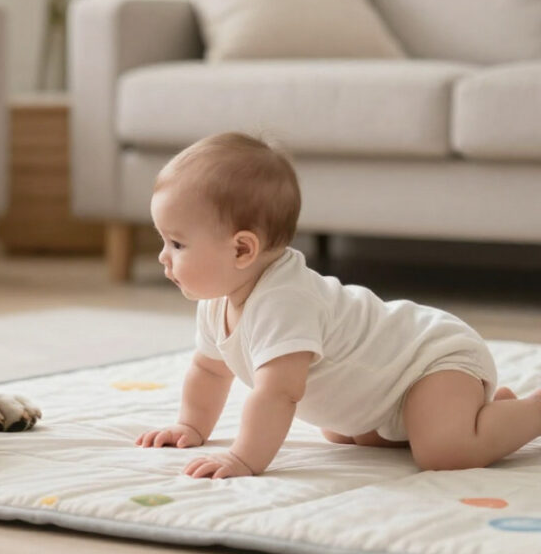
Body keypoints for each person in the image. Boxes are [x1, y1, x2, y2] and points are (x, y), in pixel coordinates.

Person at [136, 132, 541, 479]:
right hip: (386, 394)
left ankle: (526, 412)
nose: (162, 256)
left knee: (444, 453)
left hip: (431, 361)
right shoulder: (218, 299)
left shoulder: (284, 302)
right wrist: (190, 425)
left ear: (242, 249)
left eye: (177, 244)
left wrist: (244, 457)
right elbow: (208, 369)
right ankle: (482, 416)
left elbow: (277, 396)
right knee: (344, 433)